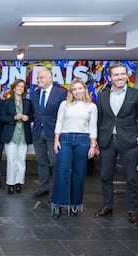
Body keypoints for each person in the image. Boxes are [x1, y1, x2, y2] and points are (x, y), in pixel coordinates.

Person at [94, 62, 138, 225]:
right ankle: (108, 206)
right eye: (116, 75)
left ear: (127, 75)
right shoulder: (102, 96)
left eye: (122, 74)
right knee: (105, 176)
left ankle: (132, 211)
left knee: (131, 178)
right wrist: (96, 140)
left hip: (129, 141)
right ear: (110, 78)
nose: (120, 77)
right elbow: (99, 119)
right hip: (107, 141)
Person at [51, 78, 97, 218]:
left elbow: (92, 127)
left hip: (83, 140)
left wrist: (93, 146)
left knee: (79, 173)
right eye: (74, 89)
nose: (77, 91)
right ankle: (58, 204)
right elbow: (59, 123)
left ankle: (75, 205)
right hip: (65, 139)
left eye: (80, 88)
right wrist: (56, 140)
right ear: (71, 91)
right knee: (62, 171)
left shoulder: (91, 106)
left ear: (84, 89)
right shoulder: (65, 104)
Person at [31, 68, 67, 198]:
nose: (39, 80)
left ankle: (58, 191)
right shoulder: (35, 94)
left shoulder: (61, 93)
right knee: (41, 162)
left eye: (42, 78)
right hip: (37, 133)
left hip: (54, 134)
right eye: (38, 78)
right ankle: (43, 188)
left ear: (50, 78)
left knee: (55, 162)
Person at [0, 79, 34, 194]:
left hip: (23, 135)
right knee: (11, 160)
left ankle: (19, 183)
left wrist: (27, 118)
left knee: (21, 161)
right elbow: (2, 118)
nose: (20, 88)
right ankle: (11, 183)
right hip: (11, 135)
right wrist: (13, 118)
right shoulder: (6, 102)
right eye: (18, 86)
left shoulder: (28, 102)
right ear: (13, 88)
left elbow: (32, 116)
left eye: (22, 87)